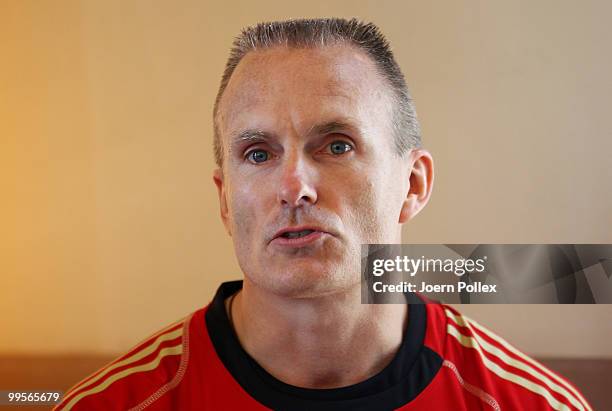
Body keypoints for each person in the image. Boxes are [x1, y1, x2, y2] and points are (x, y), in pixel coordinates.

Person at [54, 18, 592, 410]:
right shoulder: (110, 404)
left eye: (336, 146)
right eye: (258, 154)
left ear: (413, 183)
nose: (294, 187)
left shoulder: (533, 404)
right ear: (224, 200)